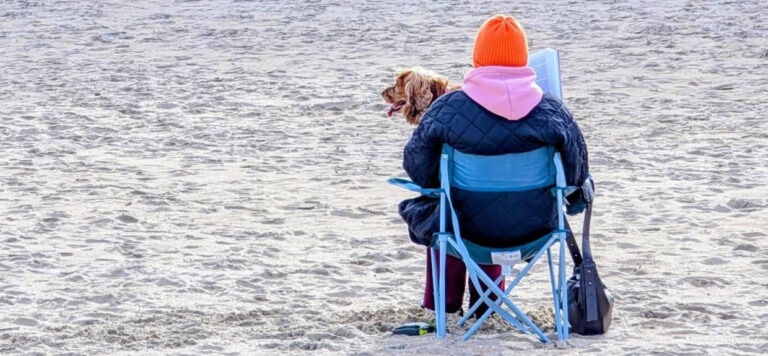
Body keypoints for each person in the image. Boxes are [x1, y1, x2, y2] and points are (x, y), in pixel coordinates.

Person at [397, 14, 590, 317]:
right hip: (535, 229)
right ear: (523, 58)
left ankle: (442, 305)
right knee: (490, 206)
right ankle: (487, 306)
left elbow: (417, 167)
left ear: (478, 58)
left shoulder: (447, 108)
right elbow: (577, 177)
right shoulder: (553, 111)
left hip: (466, 229)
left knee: (444, 207)